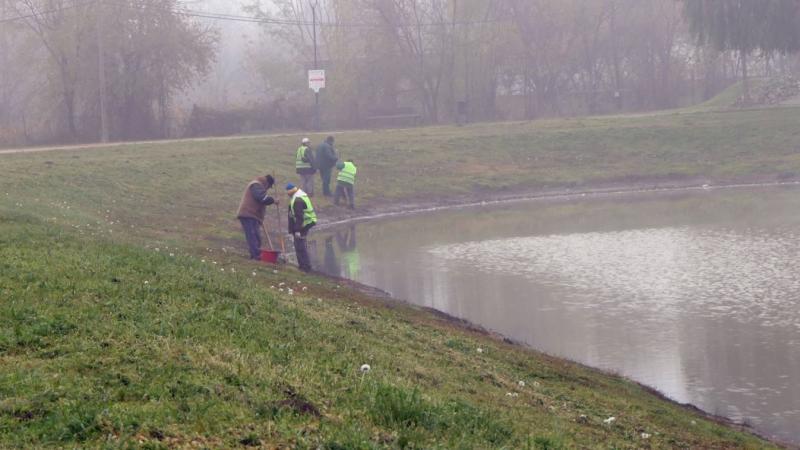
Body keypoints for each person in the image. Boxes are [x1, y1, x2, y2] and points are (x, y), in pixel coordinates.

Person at [236, 174, 277, 260]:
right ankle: (256, 256)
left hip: (253, 215)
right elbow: (262, 198)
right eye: (269, 186)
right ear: (267, 183)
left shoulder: (259, 186)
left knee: (257, 237)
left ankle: (256, 255)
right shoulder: (256, 185)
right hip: (248, 214)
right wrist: (273, 200)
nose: (268, 188)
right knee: (252, 235)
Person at [286, 183, 317, 272]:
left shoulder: (297, 200)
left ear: (290, 192)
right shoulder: (298, 196)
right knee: (299, 244)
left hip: (305, 223)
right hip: (306, 222)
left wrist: (297, 230)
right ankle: (303, 265)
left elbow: (299, 217)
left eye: (287, 193)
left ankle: (305, 267)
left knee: (300, 245)